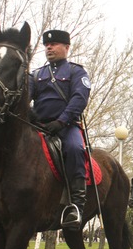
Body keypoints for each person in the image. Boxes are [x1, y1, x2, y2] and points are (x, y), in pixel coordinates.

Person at [29, 29, 91, 230]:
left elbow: (79, 99)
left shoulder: (76, 72)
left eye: (54, 44)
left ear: (66, 47)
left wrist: (61, 121)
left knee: (74, 149)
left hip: (65, 127)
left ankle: (76, 206)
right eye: (47, 45)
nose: (49, 47)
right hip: (37, 126)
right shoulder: (36, 75)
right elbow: (24, 98)